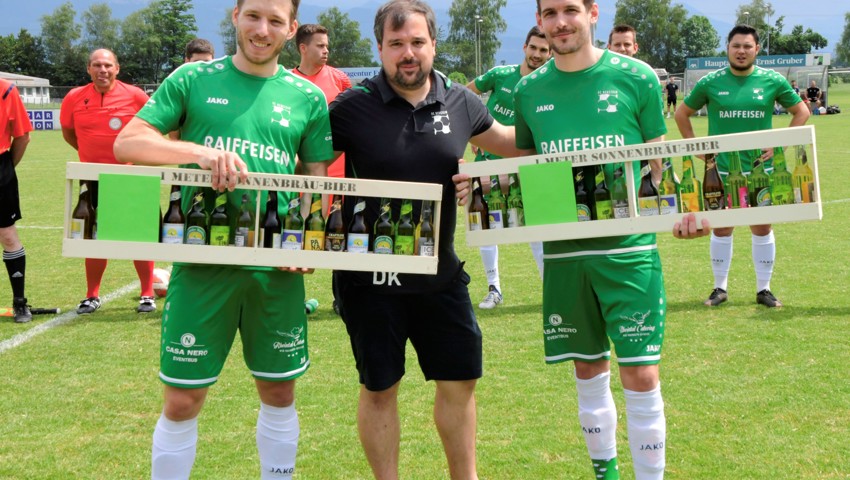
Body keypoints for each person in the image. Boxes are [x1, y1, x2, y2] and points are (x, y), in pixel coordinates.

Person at [456, 0, 684, 478]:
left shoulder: (637, 76)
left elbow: (659, 164)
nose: (561, 22)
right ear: (540, 20)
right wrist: (478, 186)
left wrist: (683, 213)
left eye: (571, 10)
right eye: (551, 12)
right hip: (563, 255)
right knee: (587, 371)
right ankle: (607, 473)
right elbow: (525, 170)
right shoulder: (529, 89)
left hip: (629, 252)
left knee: (640, 374)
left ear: (593, 13)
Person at [113, 0, 333, 478]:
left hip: (273, 267)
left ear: (291, 28)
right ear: (235, 17)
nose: (262, 29)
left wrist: (308, 244)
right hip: (201, 258)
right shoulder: (193, 79)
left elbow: (316, 180)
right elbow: (127, 142)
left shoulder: (307, 97)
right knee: (182, 398)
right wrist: (197, 152)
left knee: (279, 391)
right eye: (253, 15)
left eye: (275, 20)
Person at [327, 1, 518, 478]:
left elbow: (514, 147)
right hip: (369, 280)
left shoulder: (462, 102)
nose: (407, 54)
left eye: (416, 42)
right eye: (396, 44)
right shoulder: (351, 108)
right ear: (380, 49)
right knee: (379, 388)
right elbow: (301, 166)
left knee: (460, 380)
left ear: (433, 44)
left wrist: (481, 179)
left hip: (441, 276)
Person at [675, 25, 810, 309]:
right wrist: (697, 149)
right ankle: (719, 287)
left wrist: (779, 144)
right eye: (736, 45)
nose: (741, 51)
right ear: (728, 48)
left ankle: (764, 289)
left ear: (756, 50)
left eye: (747, 46)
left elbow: (802, 111)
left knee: (762, 227)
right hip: (720, 172)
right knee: (722, 228)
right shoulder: (710, 82)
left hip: (762, 171)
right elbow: (681, 113)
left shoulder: (771, 80)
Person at [59, 48, 156, 315]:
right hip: (92, 178)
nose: (103, 70)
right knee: (93, 236)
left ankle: (147, 293)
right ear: (89, 69)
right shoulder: (74, 97)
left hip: (131, 175)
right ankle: (92, 296)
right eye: (97, 65)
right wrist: (90, 155)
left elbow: (153, 127)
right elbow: (69, 133)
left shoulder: (135, 95)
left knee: (141, 236)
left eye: (108, 65)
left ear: (117, 68)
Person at [464, 26, 549, 309]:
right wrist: (473, 132)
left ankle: (550, 290)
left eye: (544, 50)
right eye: (534, 48)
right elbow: (463, 97)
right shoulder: (500, 75)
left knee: (537, 229)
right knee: (486, 227)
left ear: (550, 54)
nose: (537, 54)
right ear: (524, 47)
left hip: (528, 165)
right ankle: (494, 289)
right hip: (488, 165)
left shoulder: (548, 83)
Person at [291, 22, 353, 316]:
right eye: (320, 45)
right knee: (301, 236)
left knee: (340, 238)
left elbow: (357, 116)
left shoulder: (340, 79)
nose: (326, 50)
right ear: (303, 48)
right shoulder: (287, 82)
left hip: (340, 176)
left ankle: (342, 299)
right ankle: (293, 297)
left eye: (327, 45)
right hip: (303, 178)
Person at [1, 78, 34, 323]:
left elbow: (22, 137)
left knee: (8, 235)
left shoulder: (5, 89)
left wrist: (6, 169)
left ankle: (19, 302)